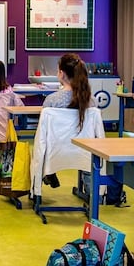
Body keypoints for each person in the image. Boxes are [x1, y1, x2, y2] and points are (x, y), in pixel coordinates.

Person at [40, 53, 96, 187]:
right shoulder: (90, 101)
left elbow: (42, 130)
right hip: (84, 150)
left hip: (55, 150)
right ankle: (90, 190)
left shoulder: (51, 100)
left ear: (62, 73)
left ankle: (47, 175)